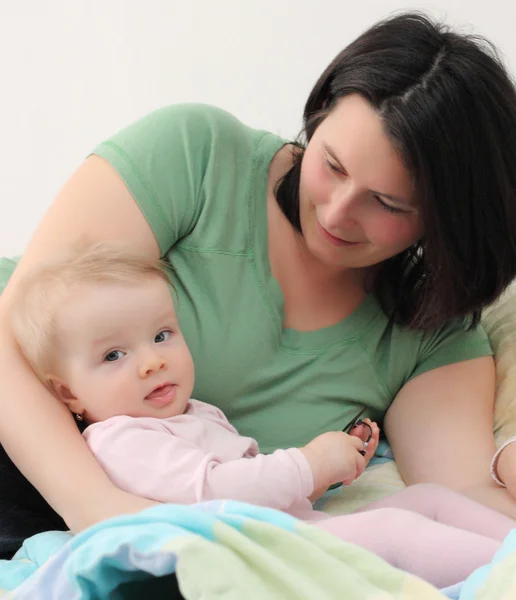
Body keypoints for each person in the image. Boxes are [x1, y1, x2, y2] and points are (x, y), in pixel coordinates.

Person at [1, 12, 516, 560]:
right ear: (318, 117)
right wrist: (100, 510)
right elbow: (11, 329)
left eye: (386, 203)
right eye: (333, 165)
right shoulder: (197, 155)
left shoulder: (429, 324)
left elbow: (463, 499)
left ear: (445, 219)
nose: (337, 214)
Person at [9, 245, 516, 588]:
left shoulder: (190, 413)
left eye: (162, 335)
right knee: (393, 532)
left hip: (286, 528)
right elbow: (215, 492)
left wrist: (327, 470)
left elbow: (256, 482)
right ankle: (499, 579)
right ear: (69, 395)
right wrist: (311, 463)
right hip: (255, 554)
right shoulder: (122, 440)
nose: (151, 360)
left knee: (424, 497)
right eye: (114, 355)